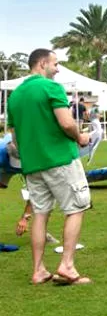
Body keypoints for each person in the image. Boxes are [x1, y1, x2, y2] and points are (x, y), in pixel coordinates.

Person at [7, 49, 93, 285]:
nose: (57, 69)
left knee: (40, 214)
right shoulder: (51, 87)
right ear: (42, 63)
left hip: (32, 165)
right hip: (60, 159)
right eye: (55, 64)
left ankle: (38, 270)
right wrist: (80, 137)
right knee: (76, 207)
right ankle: (67, 265)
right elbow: (66, 123)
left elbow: (15, 139)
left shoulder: (15, 96)